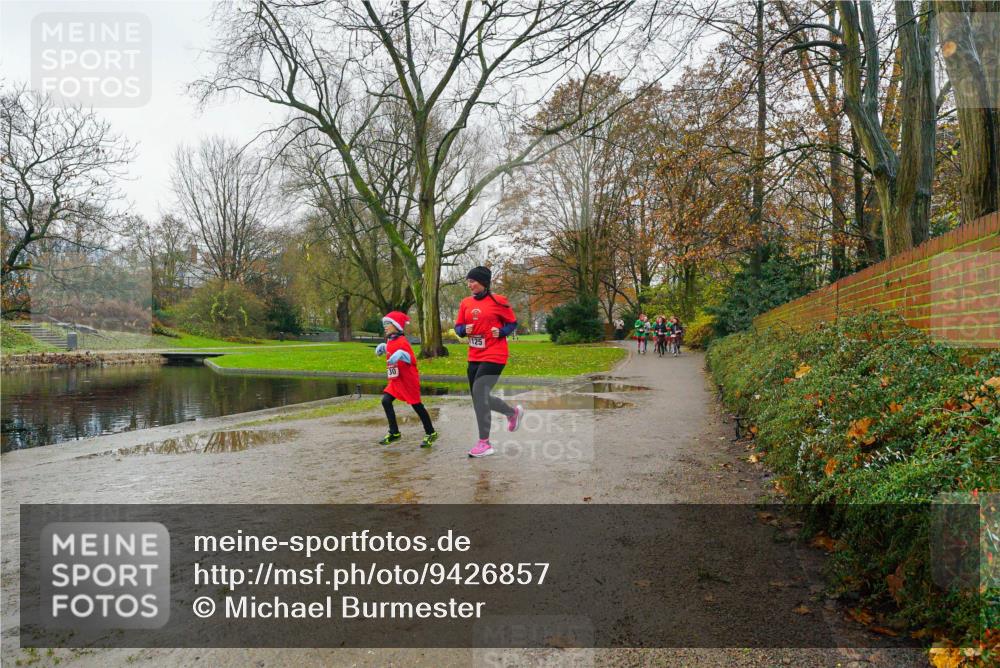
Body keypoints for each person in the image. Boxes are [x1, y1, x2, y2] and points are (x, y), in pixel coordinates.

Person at [455, 266, 525, 458]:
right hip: (474, 355)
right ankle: (512, 413)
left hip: (495, 353)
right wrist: (463, 330)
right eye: (468, 282)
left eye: (472, 281)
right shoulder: (465, 303)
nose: (469, 285)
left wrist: (501, 332)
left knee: (479, 392)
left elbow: (512, 323)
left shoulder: (498, 301)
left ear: (483, 282)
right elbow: (458, 327)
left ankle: (484, 443)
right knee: (479, 397)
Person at [374, 311, 438, 448]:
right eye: (384, 324)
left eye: (388, 324)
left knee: (417, 406)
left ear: (396, 325)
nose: (385, 326)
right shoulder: (390, 340)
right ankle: (394, 432)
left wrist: (402, 354)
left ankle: (431, 432)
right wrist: (384, 347)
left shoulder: (403, 342)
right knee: (386, 401)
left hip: (408, 380)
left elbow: (412, 360)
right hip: (396, 380)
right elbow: (391, 349)